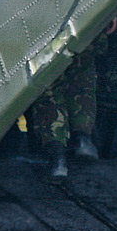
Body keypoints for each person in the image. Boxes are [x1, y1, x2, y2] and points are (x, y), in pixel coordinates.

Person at [30, 31, 108, 179]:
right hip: (83, 22)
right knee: (81, 76)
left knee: (49, 86)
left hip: (45, 29)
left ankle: (58, 158)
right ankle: (83, 140)